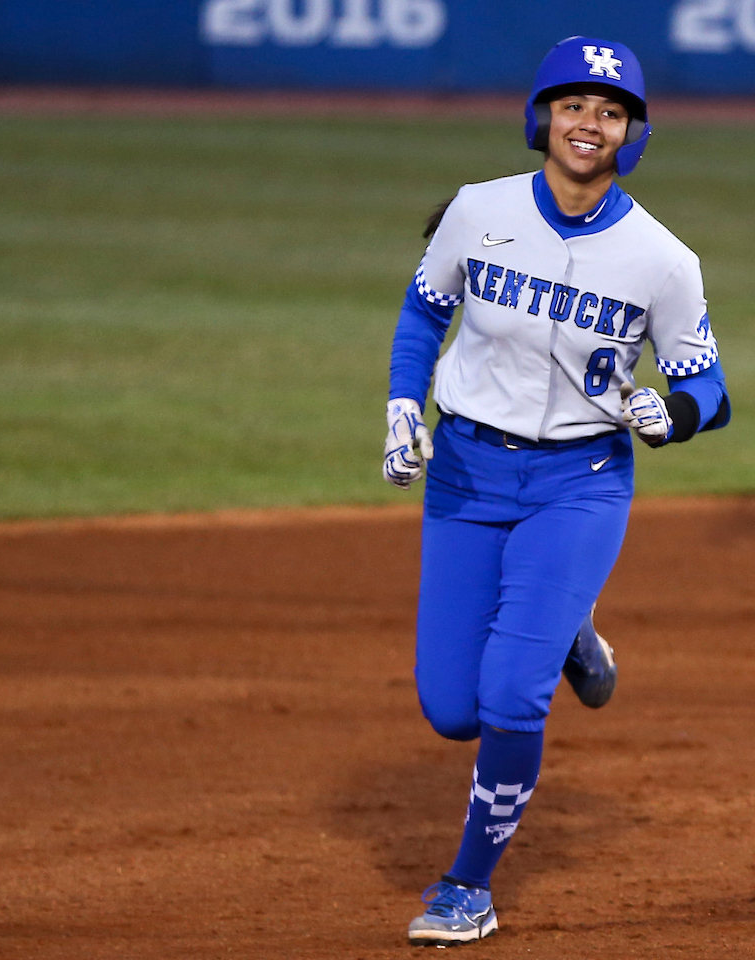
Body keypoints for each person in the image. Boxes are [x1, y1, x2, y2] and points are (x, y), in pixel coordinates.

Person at [381, 36, 731, 947]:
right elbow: (424, 311)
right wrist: (403, 404)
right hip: (465, 472)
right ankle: (570, 630)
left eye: (610, 112)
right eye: (574, 105)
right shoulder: (479, 210)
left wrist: (673, 414)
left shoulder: (663, 259)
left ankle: (468, 886)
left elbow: (710, 386)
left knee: (509, 697)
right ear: (544, 116)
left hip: (579, 484)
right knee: (452, 711)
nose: (589, 124)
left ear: (631, 134)